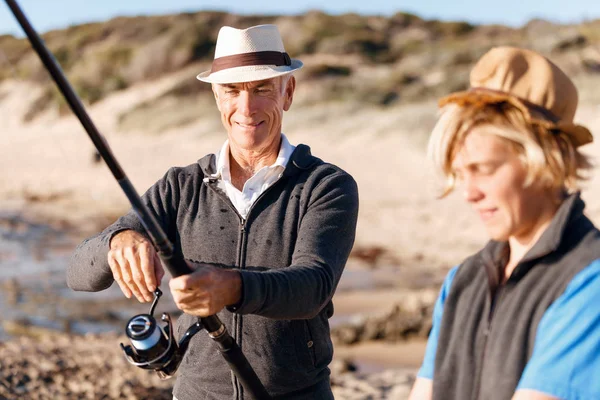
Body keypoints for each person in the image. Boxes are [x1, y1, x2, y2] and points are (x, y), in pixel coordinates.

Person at [67, 24, 359, 400]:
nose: (246, 107)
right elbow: (79, 273)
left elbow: (313, 286)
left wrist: (232, 287)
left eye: (262, 89)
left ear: (288, 93)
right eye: (231, 90)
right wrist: (117, 241)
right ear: (216, 97)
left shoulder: (326, 185)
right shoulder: (180, 186)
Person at [408, 46, 600, 400]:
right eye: (459, 173)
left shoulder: (589, 280)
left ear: (545, 160)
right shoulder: (463, 280)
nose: (468, 193)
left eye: (483, 169)